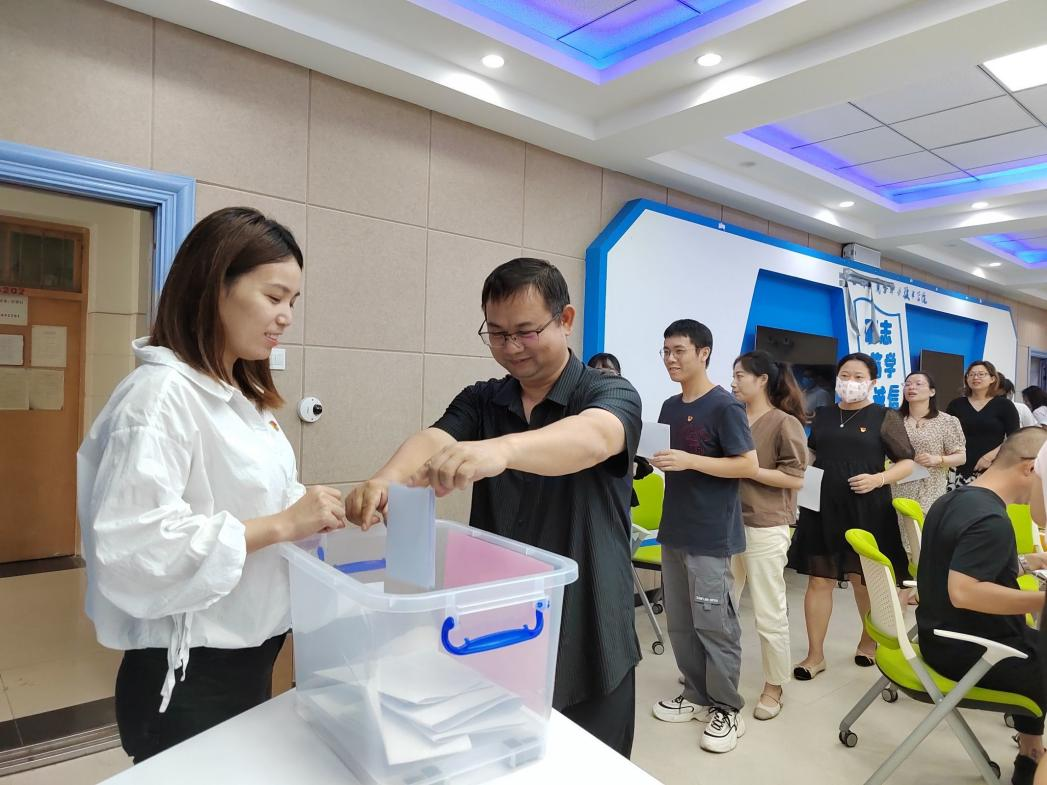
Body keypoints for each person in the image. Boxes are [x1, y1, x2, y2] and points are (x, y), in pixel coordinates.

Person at [77, 208, 347, 763]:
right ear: (214, 285)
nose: (286, 317)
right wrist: (284, 523)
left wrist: (312, 512)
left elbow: (248, 498)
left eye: (293, 302)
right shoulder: (158, 398)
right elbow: (133, 547)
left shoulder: (239, 396)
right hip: (189, 671)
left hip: (250, 652)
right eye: (273, 297)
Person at [344, 258, 642, 757]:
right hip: (497, 630)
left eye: (526, 332)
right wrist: (385, 481)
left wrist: (501, 450)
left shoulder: (608, 391)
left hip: (589, 631)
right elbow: (434, 438)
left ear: (566, 320)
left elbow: (595, 437)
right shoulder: (484, 399)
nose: (511, 347)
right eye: (497, 334)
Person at [649, 319, 758, 754]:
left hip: (711, 534)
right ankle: (696, 695)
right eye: (666, 351)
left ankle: (727, 708)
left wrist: (689, 461)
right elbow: (674, 459)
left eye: (679, 350)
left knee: (715, 623)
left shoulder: (725, 407)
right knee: (680, 623)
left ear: (703, 352)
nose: (671, 359)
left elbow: (746, 464)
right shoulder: (670, 407)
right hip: (675, 528)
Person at [917, 427, 1047, 785]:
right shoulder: (990, 519)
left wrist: (1027, 563)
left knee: (1036, 643)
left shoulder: (956, 500)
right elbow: (965, 592)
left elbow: (967, 566)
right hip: (970, 653)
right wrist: (1041, 598)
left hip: (940, 636)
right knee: (1039, 651)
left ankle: (1030, 751)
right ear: (1030, 468)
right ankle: (1034, 757)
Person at [788, 353, 915, 679]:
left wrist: (879, 479)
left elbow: (907, 462)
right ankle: (815, 656)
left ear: (872, 382)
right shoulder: (824, 414)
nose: (850, 382)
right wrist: (801, 471)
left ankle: (867, 643)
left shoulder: (884, 416)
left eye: (859, 377)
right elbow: (814, 451)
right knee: (819, 578)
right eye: (845, 375)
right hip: (822, 506)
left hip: (867, 507)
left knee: (863, 579)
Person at [729, 350, 808, 721]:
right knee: (722, 604)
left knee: (768, 610)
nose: (733, 382)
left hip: (766, 524)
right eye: (733, 375)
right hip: (727, 522)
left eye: (740, 375)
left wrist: (749, 470)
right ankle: (717, 671)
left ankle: (775, 684)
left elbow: (795, 478)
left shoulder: (783, 423)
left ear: (762, 380)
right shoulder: (732, 416)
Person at [587, 352, 653, 507]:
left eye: (611, 373)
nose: (605, 377)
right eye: (598, 372)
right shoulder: (581, 404)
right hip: (588, 491)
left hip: (618, 494)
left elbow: (642, 466)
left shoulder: (625, 406)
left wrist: (633, 465)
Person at [894, 371, 966, 513]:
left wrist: (938, 459)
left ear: (932, 392)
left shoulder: (946, 421)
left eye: (918, 384)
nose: (911, 387)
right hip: (898, 488)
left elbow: (961, 457)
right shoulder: (893, 419)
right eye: (907, 384)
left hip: (931, 490)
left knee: (924, 526)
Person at [946, 360, 1020, 487]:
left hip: (992, 468)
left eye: (981, 374)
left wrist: (989, 457)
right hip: (959, 469)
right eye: (971, 374)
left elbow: (1015, 438)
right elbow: (947, 435)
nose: (975, 377)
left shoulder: (1005, 405)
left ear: (992, 378)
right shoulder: (956, 404)